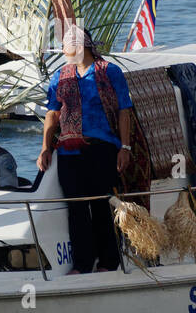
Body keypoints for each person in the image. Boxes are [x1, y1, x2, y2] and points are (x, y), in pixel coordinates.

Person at [37, 25, 134, 274]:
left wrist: (125, 146)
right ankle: (82, 263)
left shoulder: (109, 72)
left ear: (81, 48)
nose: (64, 53)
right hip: (69, 152)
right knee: (76, 207)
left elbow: (124, 109)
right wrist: (45, 147)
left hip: (102, 148)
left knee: (103, 205)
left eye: (67, 49)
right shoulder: (61, 76)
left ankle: (108, 261)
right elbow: (52, 113)